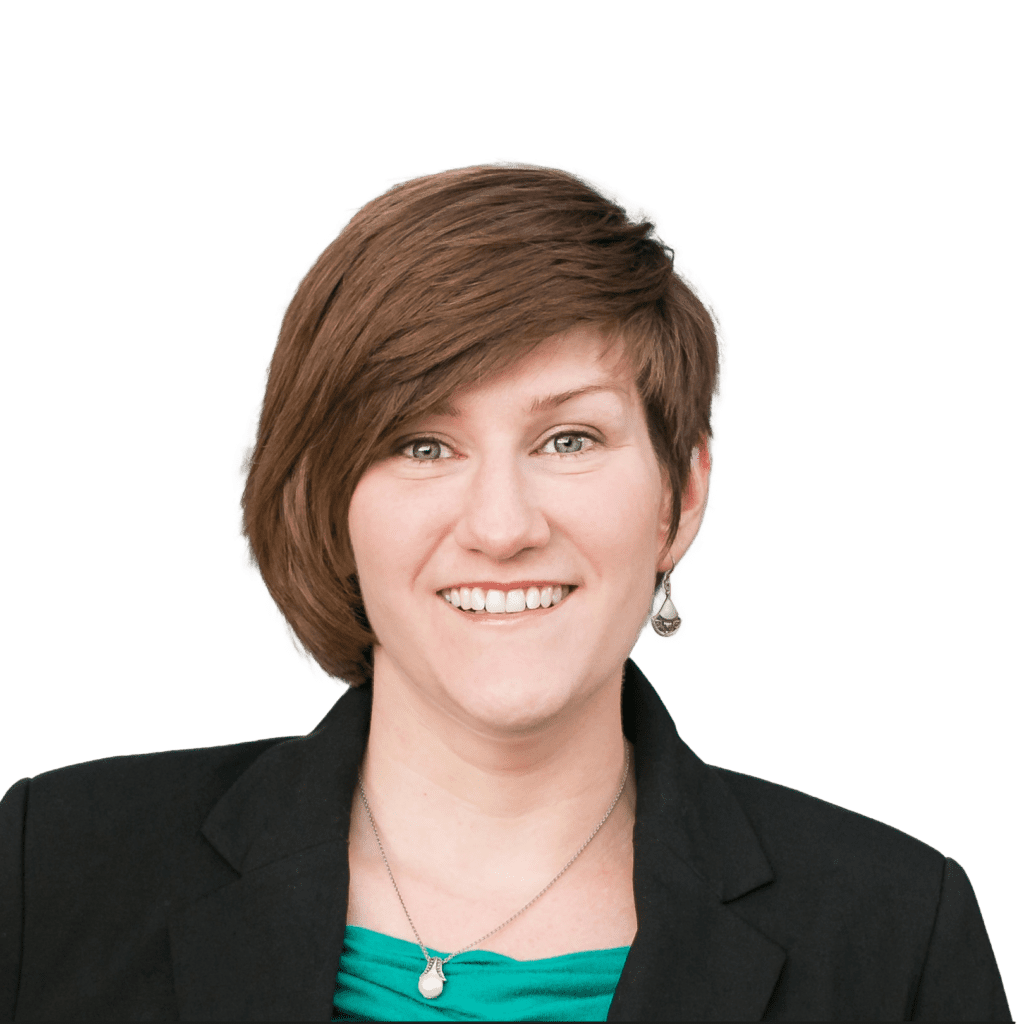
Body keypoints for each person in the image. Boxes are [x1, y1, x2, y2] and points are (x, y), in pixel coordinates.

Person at [0, 161, 1012, 1022]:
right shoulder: (56, 869)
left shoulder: (891, 933)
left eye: (568, 439)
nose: (499, 525)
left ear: (683, 492)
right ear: (329, 497)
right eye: (421, 443)